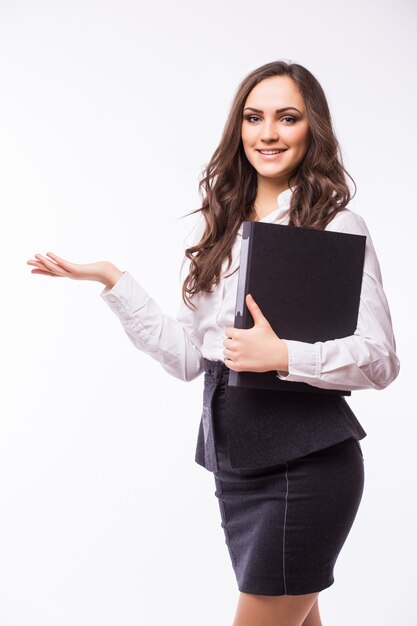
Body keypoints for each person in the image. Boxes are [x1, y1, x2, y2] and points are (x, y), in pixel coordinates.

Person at [27, 60, 400, 626]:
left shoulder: (335, 225)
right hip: (238, 465)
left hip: (307, 465)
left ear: (312, 129)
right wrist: (111, 279)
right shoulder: (218, 228)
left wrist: (284, 357)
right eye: (254, 118)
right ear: (239, 128)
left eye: (287, 117)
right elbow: (185, 359)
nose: (268, 133)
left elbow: (380, 359)